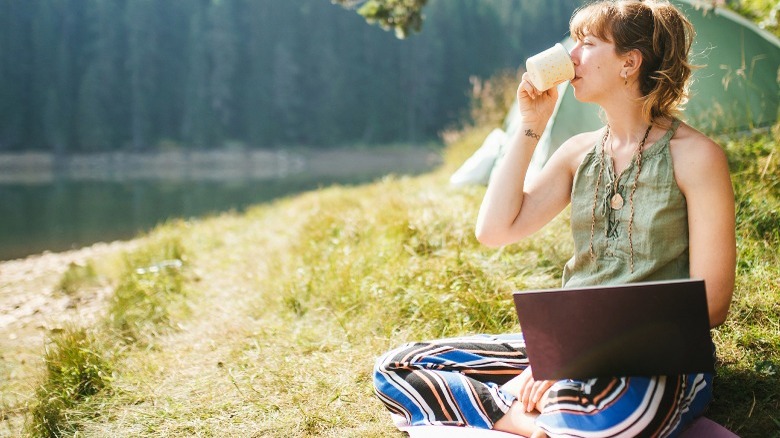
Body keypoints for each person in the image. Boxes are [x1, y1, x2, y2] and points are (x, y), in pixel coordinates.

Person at [373, 0, 737, 437]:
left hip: (656, 356)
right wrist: (531, 126)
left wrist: (571, 362)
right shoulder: (578, 153)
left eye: (587, 43)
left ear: (630, 62)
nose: (570, 56)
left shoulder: (697, 157)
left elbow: (711, 306)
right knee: (396, 366)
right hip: (566, 347)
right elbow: (494, 230)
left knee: (586, 403)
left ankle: (541, 407)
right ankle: (531, 423)